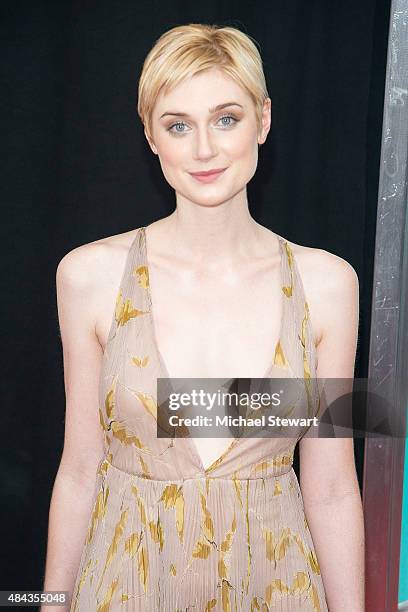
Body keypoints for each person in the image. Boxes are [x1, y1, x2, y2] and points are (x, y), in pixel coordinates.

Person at [42, 23, 365, 611]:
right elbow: (81, 468)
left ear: (263, 121)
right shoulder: (89, 278)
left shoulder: (326, 286)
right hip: (126, 588)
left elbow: (334, 487)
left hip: (278, 589)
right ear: (151, 137)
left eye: (226, 118)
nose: (204, 150)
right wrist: (51, 602)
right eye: (178, 125)